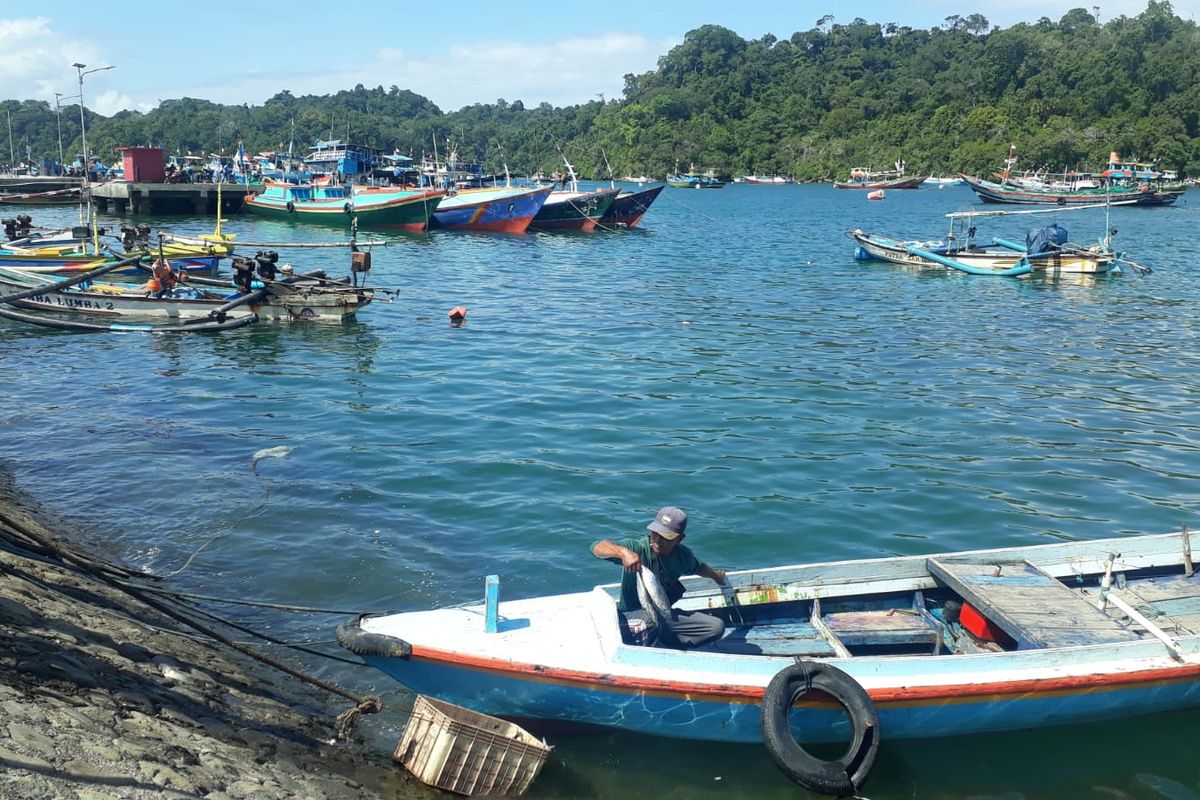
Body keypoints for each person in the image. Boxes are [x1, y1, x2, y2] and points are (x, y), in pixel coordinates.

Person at [591, 506, 727, 649]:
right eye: (655, 533)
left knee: (716, 627)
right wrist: (622, 552)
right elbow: (596, 547)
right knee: (649, 623)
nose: (658, 540)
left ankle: (667, 646)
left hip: (662, 616)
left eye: (666, 537)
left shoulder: (683, 556)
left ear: (680, 539)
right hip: (632, 619)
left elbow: (700, 568)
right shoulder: (636, 548)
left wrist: (717, 577)